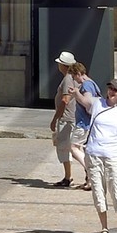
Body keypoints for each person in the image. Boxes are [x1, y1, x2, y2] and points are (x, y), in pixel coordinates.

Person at [79, 80, 117, 233]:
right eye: (110, 88)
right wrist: (75, 87)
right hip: (94, 153)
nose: (111, 92)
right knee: (98, 190)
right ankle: (104, 228)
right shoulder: (97, 104)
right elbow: (83, 98)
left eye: (115, 90)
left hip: (113, 154)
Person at [50, 52, 89, 185]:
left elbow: (65, 100)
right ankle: (80, 175)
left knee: (65, 147)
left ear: (63, 65)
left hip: (67, 118)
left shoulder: (68, 78)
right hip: (76, 117)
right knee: (76, 147)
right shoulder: (78, 77)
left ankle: (72, 176)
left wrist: (55, 118)